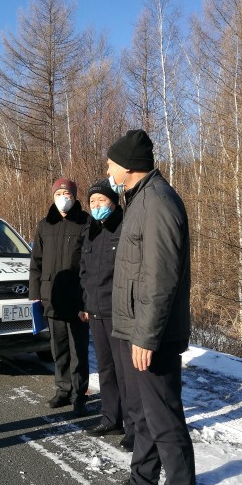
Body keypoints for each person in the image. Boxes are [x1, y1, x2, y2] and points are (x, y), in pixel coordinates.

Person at [98, 130, 197, 485]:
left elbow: (160, 278)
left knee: (165, 422)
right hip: (135, 329)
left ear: (128, 166)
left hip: (153, 336)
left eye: (111, 163)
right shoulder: (139, 198)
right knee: (143, 416)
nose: (108, 170)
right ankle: (142, 483)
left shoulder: (158, 202)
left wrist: (146, 336)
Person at [78, 179, 136, 452]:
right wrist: (85, 304)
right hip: (95, 311)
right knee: (106, 369)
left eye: (102, 200)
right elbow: (84, 272)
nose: (97, 206)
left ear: (114, 202)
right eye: (92, 202)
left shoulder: (125, 228)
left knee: (126, 373)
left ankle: (134, 428)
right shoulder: (91, 231)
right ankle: (111, 419)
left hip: (119, 313)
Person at [29, 177, 91, 417]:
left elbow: (91, 264)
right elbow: (36, 262)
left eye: (67, 194)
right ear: (52, 196)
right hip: (52, 296)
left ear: (74, 197)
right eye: (58, 194)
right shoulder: (45, 225)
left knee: (78, 350)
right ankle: (62, 390)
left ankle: (79, 394)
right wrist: (36, 293)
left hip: (77, 298)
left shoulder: (86, 222)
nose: (63, 199)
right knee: (59, 348)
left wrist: (88, 300)